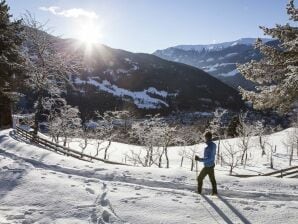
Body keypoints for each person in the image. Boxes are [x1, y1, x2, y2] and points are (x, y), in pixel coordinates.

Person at [195, 131, 217, 195]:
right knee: (212, 179)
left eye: (205, 137)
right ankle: (215, 192)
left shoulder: (210, 146)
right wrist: (200, 158)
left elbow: (209, 158)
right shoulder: (212, 145)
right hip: (211, 165)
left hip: (208, 166)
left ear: (207, 137)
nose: (204, 138)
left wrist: (199, 159)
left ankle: (199, 192)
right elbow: (210, 156)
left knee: (199, 178)